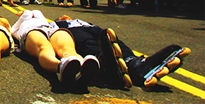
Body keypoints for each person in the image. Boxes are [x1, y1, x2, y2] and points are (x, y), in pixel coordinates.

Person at [53, 15, 191, 88]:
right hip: (75, 31)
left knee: (114, 41)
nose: (64, 16)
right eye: (61, 16)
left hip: (93, 28)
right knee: (88, 43)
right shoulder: (58, 25)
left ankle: (135, 65)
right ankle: (103, 62)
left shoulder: (83, 21)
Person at [11, 10, 99, 87]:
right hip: (30, 30)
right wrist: (23, 15)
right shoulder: (19, 24)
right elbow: (13, 31)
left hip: (51, 29)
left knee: (67, 48)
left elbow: (37, 13)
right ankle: (61, 67)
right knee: (44, 47)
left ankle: (83, 66)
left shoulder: (46, 20)